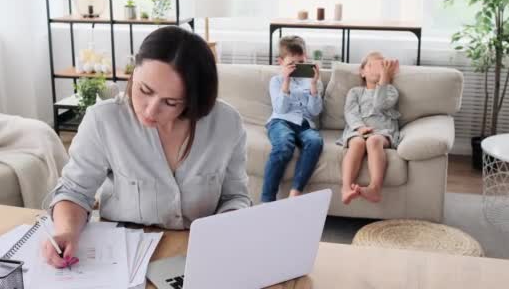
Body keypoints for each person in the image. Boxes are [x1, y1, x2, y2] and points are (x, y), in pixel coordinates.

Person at [42, 26, 251, 268]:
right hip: (121, 263)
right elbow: (75, 191)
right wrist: (66, 231)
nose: (150, 110)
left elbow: (235, 196)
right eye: (144, 90)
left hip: (196, 258)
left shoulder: (227, 123)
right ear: (133, 72)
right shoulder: (104, 120)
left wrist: (228, 228)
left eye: (170, 102)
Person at [261, 35, 324, 202]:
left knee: (315, 141)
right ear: (281, 62)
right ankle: (267, 201)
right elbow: (280, 109)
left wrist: (313, 86)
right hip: (281, 121)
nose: (297, 68)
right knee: (283, 145)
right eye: (292, 64)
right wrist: (286, 81)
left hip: (305, 124)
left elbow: (315, 111)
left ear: (306, 59)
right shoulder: (276, 81)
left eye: (301, 62)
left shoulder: (314, 81)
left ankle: (295, 194)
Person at [338, 51, 401, 204]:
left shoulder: (391, 91)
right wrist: (359, 128)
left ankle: (375, 189)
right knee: (357, 143)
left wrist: (384, 78)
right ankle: (346, 188)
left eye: (381, 65)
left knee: (373, 141)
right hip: (357, 130)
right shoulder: (355, 92)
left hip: (382, 131)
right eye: (371, 65)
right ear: (362, 72)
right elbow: (350, 112)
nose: (376, 69)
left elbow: (380, 104)